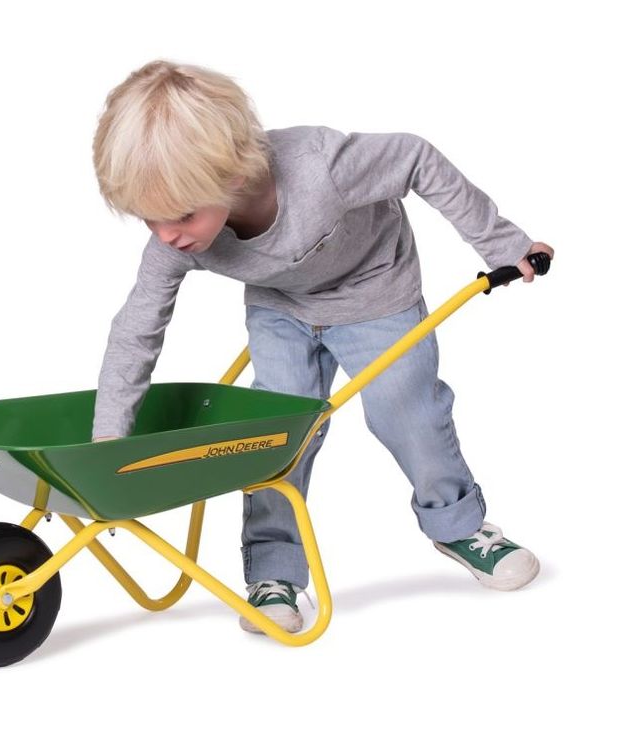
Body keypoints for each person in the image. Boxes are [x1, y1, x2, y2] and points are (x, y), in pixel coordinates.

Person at [90, 59, 554, 635]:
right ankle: (273, 572)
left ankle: (457, 527)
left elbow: (415, 156)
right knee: (274, 436)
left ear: (232, 174)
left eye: (182, 216)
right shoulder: (173, 241)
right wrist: (108, 441)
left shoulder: (320, 169)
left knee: (406, 412)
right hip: (282, 309)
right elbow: (136, 330)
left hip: (374, 291)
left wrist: (503, 244)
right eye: (149, 220)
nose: (167, 236)